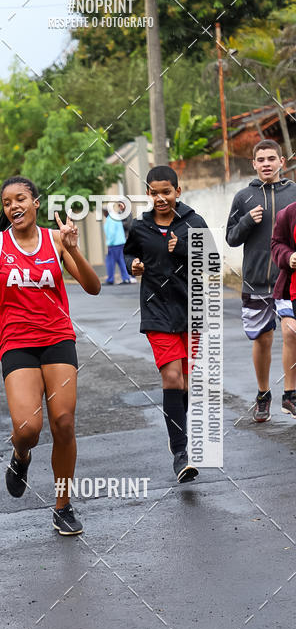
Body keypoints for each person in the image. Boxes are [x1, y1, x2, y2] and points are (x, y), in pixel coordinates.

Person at [0, 175, 101, 536]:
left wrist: (74, 248)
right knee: (27, 429)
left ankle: (63, 506)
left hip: (58, 339)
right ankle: (21, 456)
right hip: (17, 343)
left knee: (64, 423)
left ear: (36, 202)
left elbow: (93, 288)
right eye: (6, 202)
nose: (13, 206)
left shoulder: (56, 239)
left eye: (20, 199)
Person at [123, 166, 208, 484]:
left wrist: (183, 248)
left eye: (166, 192)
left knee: (185, 382)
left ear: (178, 191)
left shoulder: (194, 222)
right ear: (148, 193)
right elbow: (129, 253)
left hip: (191, 310)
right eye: (155, 192)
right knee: (171, 377)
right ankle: (180, 453)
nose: (161, 198)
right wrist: (133, 264)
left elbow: (211, 261)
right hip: (157, 313)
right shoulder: (140, 227)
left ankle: (181, 429)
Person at [226, 139, 296, 422]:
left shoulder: (294, 194)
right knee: (262, 339)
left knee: (291, 333)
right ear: (253, 164)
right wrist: (246, 221)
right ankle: (263, 394)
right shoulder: (244, 197)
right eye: (261, 159)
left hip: (289, 280)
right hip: (255, 281)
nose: (266, 163)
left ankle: (290, 395)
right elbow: (231, 238)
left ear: (282, 161)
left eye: (271, 158)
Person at [270, 202, 296, 416]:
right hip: (290, 289)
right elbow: (276, 244)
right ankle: (290, 394)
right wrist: (289, 257)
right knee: (290, 333)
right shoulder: (288, 213)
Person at [103, 206, 131, 284]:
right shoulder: (115, 217)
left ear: (107, 212)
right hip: (121, 243)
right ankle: (126, 278)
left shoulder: (111, 219)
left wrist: (109, 244)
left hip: (114, 244)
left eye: (104, 212)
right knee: (121, 261)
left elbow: (111, 233)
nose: (103, 214)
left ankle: (110, 279)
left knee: (110, 262)